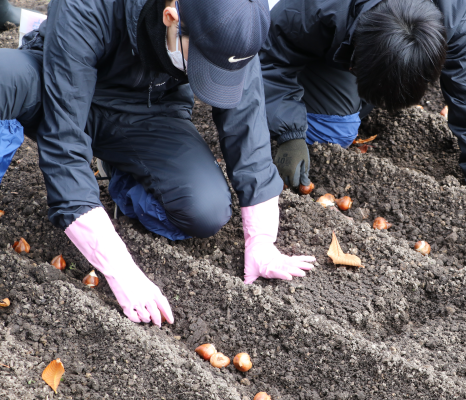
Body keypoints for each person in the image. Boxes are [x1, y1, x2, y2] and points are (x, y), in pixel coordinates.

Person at [0, 0, 315, 327]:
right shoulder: (88, 6)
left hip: (148, 110)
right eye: (202, 62)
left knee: (206, 209)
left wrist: (261, 239)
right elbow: (65, 138)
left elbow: (246, 115)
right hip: (54, 84)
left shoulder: (232, 20)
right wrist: (121, 270)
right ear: (171, 17)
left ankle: (122, 173)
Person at [260, 0, 466, 220]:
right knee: (333, 131)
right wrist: (289, 133)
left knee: (348, 119)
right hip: (308, 36)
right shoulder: (311, 9)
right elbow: (269, 56)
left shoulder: (456, 14)